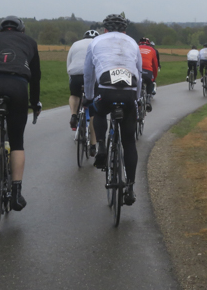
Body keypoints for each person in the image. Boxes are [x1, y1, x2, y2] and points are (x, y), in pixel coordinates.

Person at [0, 16, 42, 212]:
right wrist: (34, 102)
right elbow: (36, 77)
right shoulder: (30, 41)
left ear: (1, 30)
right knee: (17, 142)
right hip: (17, 85)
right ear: (21, 30)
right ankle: (16, 194)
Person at [84, 14, 142, 206]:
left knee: (98, 111)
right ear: (124, 30)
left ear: (105, 30)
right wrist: (138, 98)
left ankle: (101, 146)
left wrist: (89, 96)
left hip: (106, 89)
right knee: (129, 142)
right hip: (129, 91)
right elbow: (139, 73)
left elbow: (88, 73)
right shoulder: (133, 43)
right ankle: (131, 187)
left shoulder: (96, 41)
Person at [67, 31, 99, 154]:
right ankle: (93, 145)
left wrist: (71, 78)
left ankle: (74, 115)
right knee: (93, 111)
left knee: (74, 95)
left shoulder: (75, 44)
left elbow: (68, 64)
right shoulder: (98, 44)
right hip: (92, 76)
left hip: (75, 75)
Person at [138, 37, 158, 110]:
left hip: (137, 71)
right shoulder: (152, 50)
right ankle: (148, 100)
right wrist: (154, 78)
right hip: (147, 71)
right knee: (149, 82)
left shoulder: (136, 48)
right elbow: (155, 66)